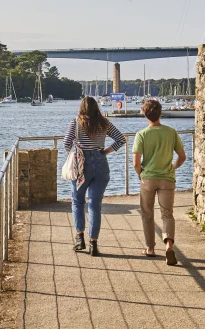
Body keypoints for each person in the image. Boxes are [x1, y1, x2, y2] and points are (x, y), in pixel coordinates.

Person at [64, 96, 126, 256]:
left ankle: (79, 239)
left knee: (77, 202)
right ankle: (93, 244)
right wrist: (105, 151)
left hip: (81, 166)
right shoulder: (104, 123)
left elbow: (66, 144)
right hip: (100, 163)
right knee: (94, 205)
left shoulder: (75, 122)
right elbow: (121, 139)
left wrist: (76, 152)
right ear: (96, 107)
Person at [133, 99, 186, 265]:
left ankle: (150, 248)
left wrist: (141, 174)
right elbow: (182, 156)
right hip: (167, 179)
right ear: (160, 113)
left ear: (145, 115)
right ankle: (169, 245)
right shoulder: (171, 132)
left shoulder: (141, 135)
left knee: (147, 214)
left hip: (148, 178)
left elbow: (136, 162)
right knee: (167, 214)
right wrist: (173, 167)